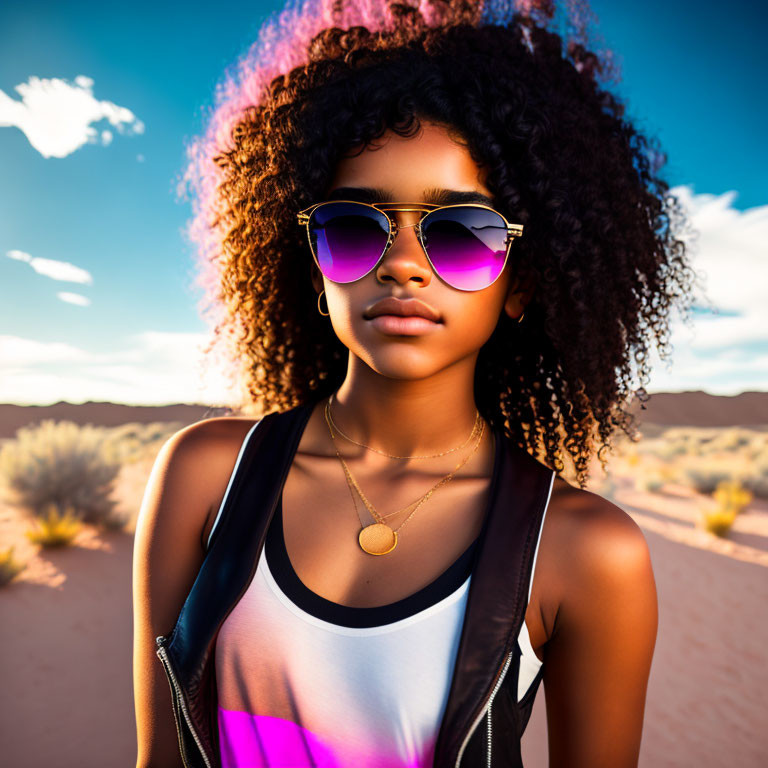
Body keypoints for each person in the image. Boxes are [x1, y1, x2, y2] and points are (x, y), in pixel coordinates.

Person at [133, 1, 694, 766]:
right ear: (313, 264)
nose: (401, 263)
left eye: (461, 233)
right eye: (355, 227)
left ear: (522, 283)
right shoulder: (206, 475)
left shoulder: (585, 552)